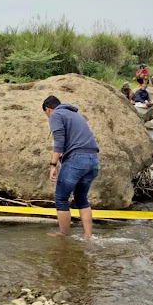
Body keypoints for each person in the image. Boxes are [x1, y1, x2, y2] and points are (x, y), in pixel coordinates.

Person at [43, 96, 99, 238]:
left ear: (48, 109)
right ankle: (88, 236)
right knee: (81, 199)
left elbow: (59, 141)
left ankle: (64, 235)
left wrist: (53, 165)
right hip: (93, 160)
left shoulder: (56, 114)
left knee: (61, 198)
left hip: (77, 160)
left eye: (46, 114)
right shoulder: (75, 114)